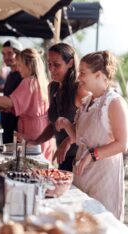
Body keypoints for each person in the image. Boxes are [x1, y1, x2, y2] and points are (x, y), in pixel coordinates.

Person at [56, 51, 127, 220]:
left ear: (99, 75)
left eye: (82, 73)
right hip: (83, 175)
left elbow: (122, 144)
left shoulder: (114, 102)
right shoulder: (87, 102)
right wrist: (67, 125)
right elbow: (81, 139)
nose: (78, 77)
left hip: (104, 178)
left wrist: (92, 155)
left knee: (99, 224)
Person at [0, 48, 53, 159]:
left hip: (32, 132)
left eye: (20, 65)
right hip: (41, 130)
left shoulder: (28, 81)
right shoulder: (41, 80)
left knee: (31, 166)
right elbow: (20, 106)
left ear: (29, 65)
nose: (18, 69)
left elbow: (10, 102)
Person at [31, 43, 87, 170]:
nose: (51, 69)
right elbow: (53, 124)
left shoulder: (80, 90)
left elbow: (89, 127)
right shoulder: (52, 87)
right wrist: (35, 142)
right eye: (49, 64)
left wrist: (68, 141)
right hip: (63, 157)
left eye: (56, 64)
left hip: (79, 158)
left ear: (70, 63)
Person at [0, 39, 23, 144]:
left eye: (9, 53)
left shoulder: (23, 77)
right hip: (7, 126)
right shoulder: (10, 74)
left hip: (17, 129)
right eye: (3, 54)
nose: (6, 57)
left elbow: (18, 104)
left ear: (18, 55)